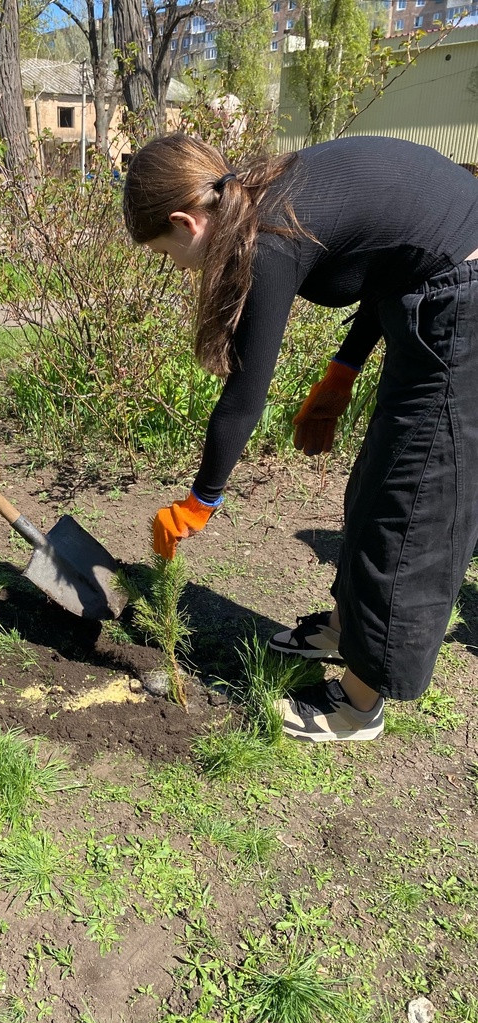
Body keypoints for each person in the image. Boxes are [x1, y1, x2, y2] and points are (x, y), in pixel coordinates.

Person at [123, 132, 478, 743]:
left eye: (164, 252)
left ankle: (359, 704)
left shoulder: (267, 238)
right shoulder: (262, 196)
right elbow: (391, 256)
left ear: (186, 221)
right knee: (377, 478)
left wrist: (200, 500)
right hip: (430, 288)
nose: (174, 267)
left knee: (414, 503)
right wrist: (343, 369)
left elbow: (244, 395)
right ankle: (348, 627)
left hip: (464, 305)